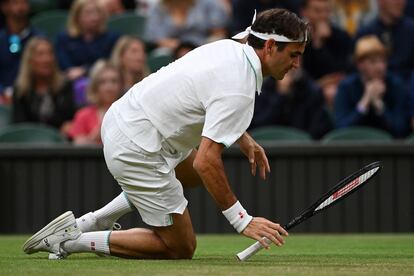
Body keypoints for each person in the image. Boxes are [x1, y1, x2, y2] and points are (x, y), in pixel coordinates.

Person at [23, 8, 308, 260]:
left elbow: (214, 97)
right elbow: (206, 162)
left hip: (126, 118)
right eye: (294, 55)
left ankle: (94, 220)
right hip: (138, 147)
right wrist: (242, 220)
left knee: (191, 177)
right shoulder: (240, 86)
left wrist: (242, 137)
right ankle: (72, 241)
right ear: (270, 46)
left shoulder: (232, 46)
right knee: (180, 247)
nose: (296, 65)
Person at [334, 35, 410, 138]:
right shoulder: (346, 87)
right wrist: (365, 102)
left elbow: (401, 130)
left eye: (383, 61)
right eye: (373, 62)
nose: (380, 67)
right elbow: (341, 129)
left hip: (389, 150)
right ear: (359, 65)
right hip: (354, 148)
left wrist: (380, 107)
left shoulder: (396, 85)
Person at [12, 37, 76, 133]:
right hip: (29, 142)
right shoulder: (20, 90)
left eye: (50, 53)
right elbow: (20, 126)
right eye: (40, 54)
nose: (47, 59)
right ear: (30, 60)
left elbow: (69, 120)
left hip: (61, 143)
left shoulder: (65, 85)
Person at [250, 67, 333, 140]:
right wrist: (281, 96)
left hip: (302, 151)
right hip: (267, 149)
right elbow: (257, 127)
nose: (293, 64)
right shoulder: (262, 89)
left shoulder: (312, 91)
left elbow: (318, 130)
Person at [55, 0, 120, 81]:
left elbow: (110, 62)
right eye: (88, 13)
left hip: (101, 79)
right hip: (70, 79)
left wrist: (84, 70)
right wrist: (73, 71)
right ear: (77, 16)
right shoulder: (64, 38)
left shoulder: (112, 37)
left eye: (98, 13)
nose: (95, 17)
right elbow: (63, 63)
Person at [355, 0, 414, 81]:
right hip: (374, 86)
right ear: (380, 1)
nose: (400, 2)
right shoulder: (365, 34)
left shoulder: (411, 30)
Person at [68, 60, 122, 145]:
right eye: (103, 82)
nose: (109, 87)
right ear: (95, 86)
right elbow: (77, 145)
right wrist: (93, 137)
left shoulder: (127, 113)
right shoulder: (83, 115)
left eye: (114, 81)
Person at [144, 0, 229, 50]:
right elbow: (156, 37)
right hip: (173, 51)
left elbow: (218, 31)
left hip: (203, 47)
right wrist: (181, 47)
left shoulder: (206, 3)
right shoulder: (160, 8)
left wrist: (201, 47)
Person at [0, 0, 41, 103]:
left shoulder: (39, 40)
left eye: (24, 2)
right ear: (4, 7)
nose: (20, 7)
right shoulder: (1, 39)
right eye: (15, 2)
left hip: (32, 95)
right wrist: (2, 92)